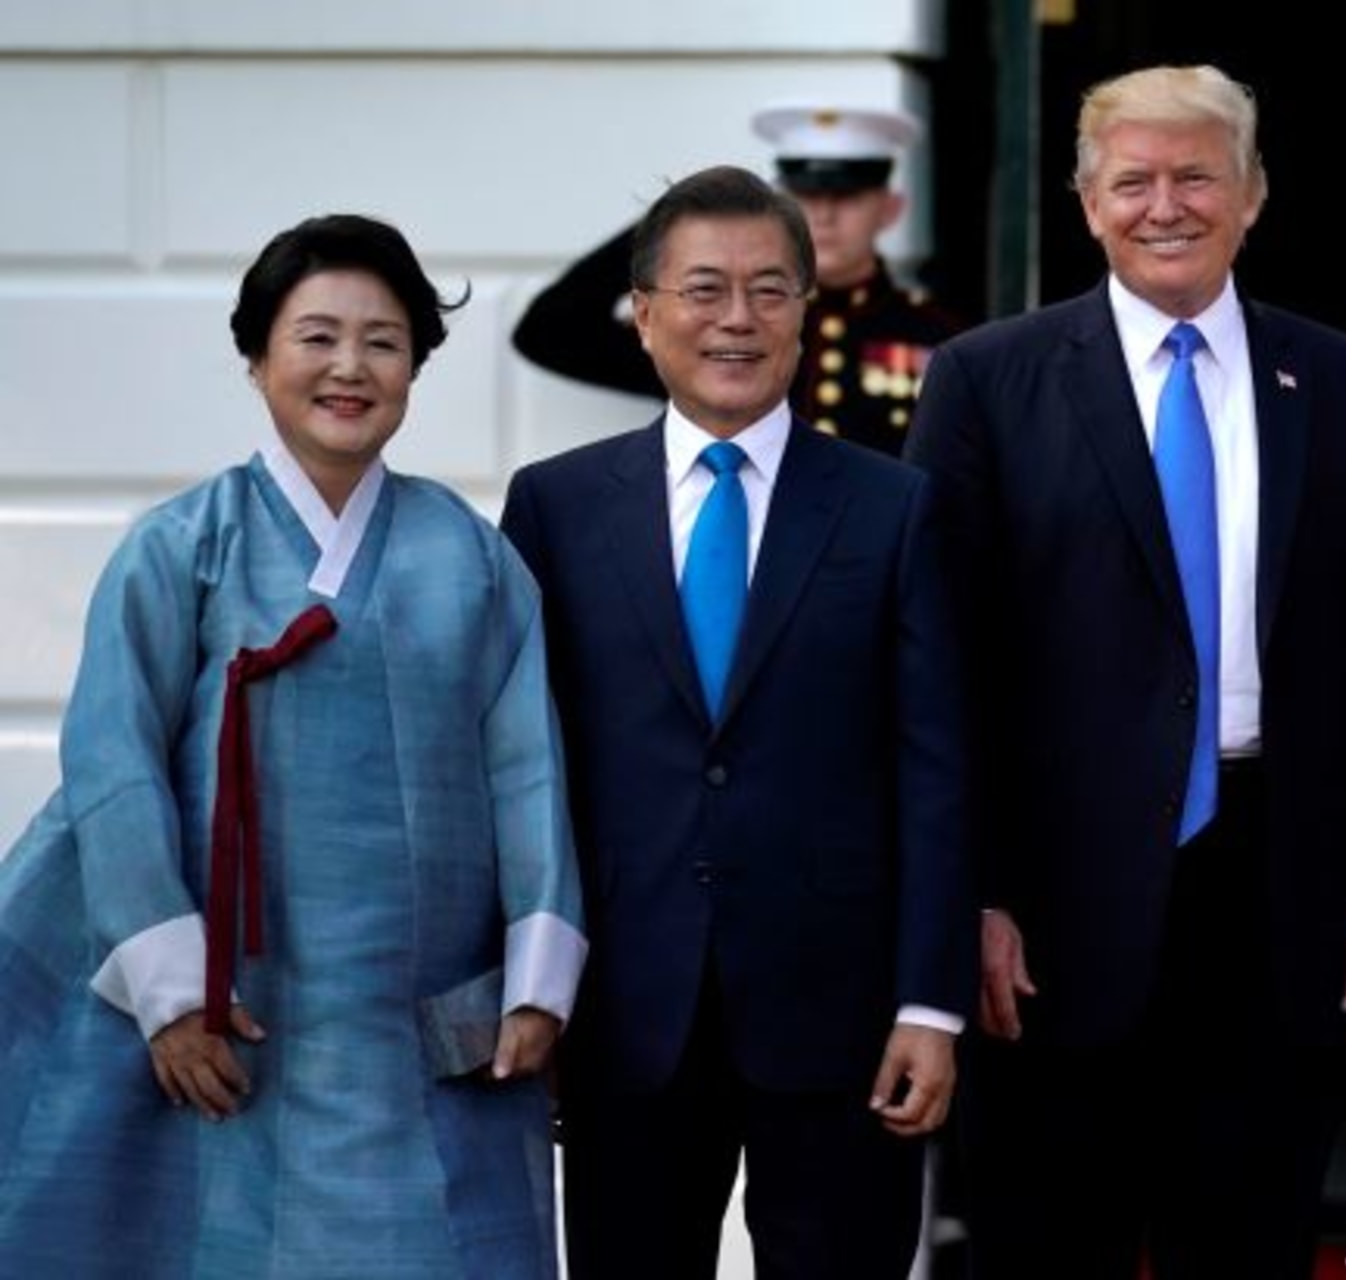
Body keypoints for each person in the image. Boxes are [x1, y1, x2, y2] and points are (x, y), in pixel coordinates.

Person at [902, 64, 1346, 1278]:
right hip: (1045, 916)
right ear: (1087, 203)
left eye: (1197, 175)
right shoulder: (986, 381)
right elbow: (946, 664)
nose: (1166, 205)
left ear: (1253, 194)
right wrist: (971, 893)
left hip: (1280, 893)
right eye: (1132, 180)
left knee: (1248, 1241)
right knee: (1048, 1246)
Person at [0, 213, 588, 1278]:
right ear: (257, 353)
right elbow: (112, 764)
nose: (349, 367)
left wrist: (539, 974)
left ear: (416, 362)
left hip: (415, 1022)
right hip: (232, 1014)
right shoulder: (184, 544)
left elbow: (528, 767)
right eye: (316, 336)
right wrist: (172, 992)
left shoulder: (471, 556)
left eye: (384, 340)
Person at [500, 164, 973, 1280]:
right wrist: (530, 985)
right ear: (646, 312)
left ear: (806, 313)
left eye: (770, 290)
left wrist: (930, 1001)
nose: (737, 319)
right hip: (622, 1006)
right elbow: (523, 764)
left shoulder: (893, 505)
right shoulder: (555, 506)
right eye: (703, 288)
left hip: (844, 1011)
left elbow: (940, 766)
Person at [511, 102, 965, 455]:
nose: (825, 215)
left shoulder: (940, 334)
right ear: (780, 204)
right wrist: (680, 222)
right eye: (806, 194)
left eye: (847, 196)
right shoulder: (716, 323)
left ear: (891, 208)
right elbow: (550, 330)